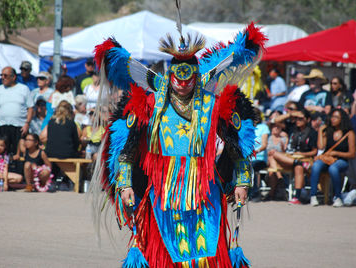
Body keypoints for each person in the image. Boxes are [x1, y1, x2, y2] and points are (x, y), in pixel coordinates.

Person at [89, 20, 266, 266]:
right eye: (177, 79)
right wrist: (125, 184)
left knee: (206, 251)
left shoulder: (213, 104)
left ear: (197, 77)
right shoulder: (151, 104)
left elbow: (237, 149)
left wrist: (243, 181)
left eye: (188, 79)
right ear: (170, 75)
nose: (182, 84)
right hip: (163, 190)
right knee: (163, 251)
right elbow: (127, 151)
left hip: (205, 191)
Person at [269, 109, 318, 204]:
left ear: (307, 120)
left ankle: (297, 197)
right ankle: (295, 165)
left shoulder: (312, 132)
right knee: (273, 152)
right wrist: (290, 114)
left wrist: (302, 154)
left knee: (299, 167)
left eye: (301, 119)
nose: (298, 121)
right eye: (296, 118)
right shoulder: (292, 128)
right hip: (289, 157)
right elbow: (275, 121)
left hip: (305, 158)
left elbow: (314, 151)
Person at [310, 108, 356, 207]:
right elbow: (321, 147)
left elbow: (352, 154)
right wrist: (320, 131)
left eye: (336, 117)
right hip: (328, 159)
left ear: (342, 119)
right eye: (332, 117)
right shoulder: (329, 131)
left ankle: (338, 197)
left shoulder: (349, 133)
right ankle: (313, 196)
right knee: (316, 166)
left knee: (333, 168)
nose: (333, 119)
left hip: (342, 160)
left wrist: (337, 153)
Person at [0, 67, 33, 154]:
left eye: (5, 75)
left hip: (19, 127)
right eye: (1, 75)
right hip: (2, 125)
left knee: (19, 153)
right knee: (3, 152)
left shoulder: (23, 89)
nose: (2, 77)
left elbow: (30, 108)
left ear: (13, 77)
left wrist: (27, 123)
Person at [266, 121, 289, 200]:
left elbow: (285, 154)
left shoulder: (284, 139)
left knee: (272, 172)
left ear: (281, 129)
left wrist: (282, 149)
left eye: (278, 127)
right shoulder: (268, 138)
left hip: (280, 161)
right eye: (274, 127)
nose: (276, 128)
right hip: (269, 160)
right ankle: (280, 177)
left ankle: (271, 194)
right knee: (271, 156)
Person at [251, 108, 270, 200]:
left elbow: (264, 145)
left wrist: (255, 152)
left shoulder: (263, 127)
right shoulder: (247, 127)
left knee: (252, 166)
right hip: (248, 157)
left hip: (260, 158)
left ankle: (255, 192)